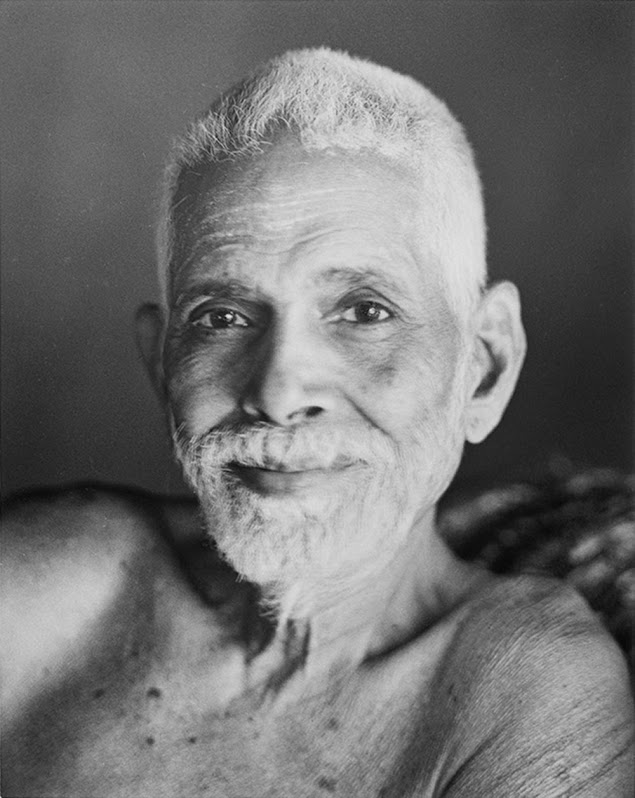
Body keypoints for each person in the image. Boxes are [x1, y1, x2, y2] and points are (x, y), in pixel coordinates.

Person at [1, 48, 633, 797]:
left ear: (485, 366)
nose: (278, 392)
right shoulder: (49, 589)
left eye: (364, 312)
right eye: (222, 316)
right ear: (163, 365)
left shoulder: (522, 693)